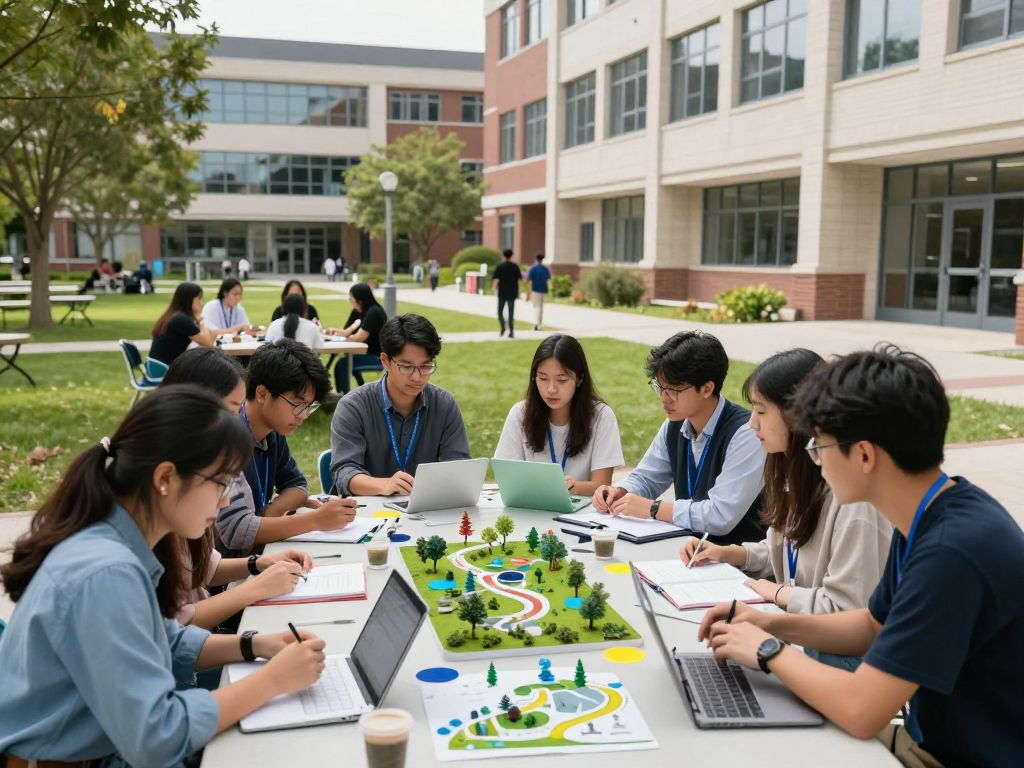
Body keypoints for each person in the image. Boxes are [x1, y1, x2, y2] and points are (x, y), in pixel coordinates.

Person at [699, 346, 1024, 767]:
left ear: (865, 455)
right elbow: (873, 624)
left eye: (821, 447)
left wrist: (767, 650)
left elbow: (861, 711)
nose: (815, 459)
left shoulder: (951, 553)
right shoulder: (933, 512)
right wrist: (767, 621)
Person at [0, 386, 327, 767]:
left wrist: (256, 645)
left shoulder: (118, 537)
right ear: (166, 478)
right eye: (221, 483)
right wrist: (273, 680)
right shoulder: (106, 572)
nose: (225, 502)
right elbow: (157, 736)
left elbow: (163, 640)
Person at [679, 348, 892, 671]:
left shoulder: (853, 501)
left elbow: (846, 612)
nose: (752, 424)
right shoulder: (795, 474)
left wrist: (777, 593)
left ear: (799, 416)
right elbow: (790, 548)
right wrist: (731, 554)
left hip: (841, 662)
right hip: (804, 642)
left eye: (761, 411)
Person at [159, 348, 314, 633]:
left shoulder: (200, 462)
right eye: (232, 410)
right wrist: (253, 590)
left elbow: (202, 566)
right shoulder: (172, 486)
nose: (226, 500)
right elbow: (173, 632)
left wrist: (260, 563)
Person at [592, 331, 766, 545]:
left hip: (738, 564)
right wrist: (620, 491)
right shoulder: (675, 425)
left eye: (673, 390)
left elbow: (720, 516)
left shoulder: (746, 433)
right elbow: (647, 477)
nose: (663, 399)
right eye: (660, 387)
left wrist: (653, 508)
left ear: (707, 388)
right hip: (687, 551)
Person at [216, 339, 358, 557]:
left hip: (257, 556)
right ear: (262, 394)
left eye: (309, 407)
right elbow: (237, 531)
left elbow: (297, 485)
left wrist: (269, 513)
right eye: (297, 404)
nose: (302, 415)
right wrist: (315, 520)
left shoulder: (272, 434)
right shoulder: (227, 439)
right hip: (226, 571)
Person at [330, 314, 470, 496]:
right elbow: (344, 473)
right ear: (385, 361)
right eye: (406, 367)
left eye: (426, 366)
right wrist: (384, 485)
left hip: (427, 512)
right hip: (369, 514)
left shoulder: (444, 405)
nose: (417, 377)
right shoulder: (354, 407)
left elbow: (459, 468)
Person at [494, 334, 623, 496]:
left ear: (579, 378)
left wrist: (572, 487)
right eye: (543, 379)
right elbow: (507, 478)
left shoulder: (601, 417)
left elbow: (602, 485)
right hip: (532, 508)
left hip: (583, 512)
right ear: (534, 377)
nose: (551, 389)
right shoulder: (520, 414)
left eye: (561, 380)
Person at [328, 281, 388, 394]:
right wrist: (331, 332)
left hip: (377, 357)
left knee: (342, 365)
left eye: (351, 298)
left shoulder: (374, 312)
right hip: (363, 353)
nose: (349, 300)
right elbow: (346, 332)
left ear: (359, 300)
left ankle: (344, 399)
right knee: (342, 364)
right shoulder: (358, 311)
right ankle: (343, 396)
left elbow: (358, 337)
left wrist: (342, 339)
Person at [149, 282, 216, 366]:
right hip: (165, 370)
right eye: (198, 298)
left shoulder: (174, 315)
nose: (200, 302)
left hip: (157, 367)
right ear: (190, 299)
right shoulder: (181, 320)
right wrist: (200, 320)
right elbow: (208, 344)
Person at [492, 248, 522, 338]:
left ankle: (502, 328)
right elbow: (519, 280)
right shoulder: (515, 266)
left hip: (502, 292)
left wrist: (494, 289)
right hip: (512, 292)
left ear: (503, 255)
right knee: (511, 312)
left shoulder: (500, 266)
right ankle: (511, 331)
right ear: (511, 255)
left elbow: (496, 279)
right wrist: (519, 292)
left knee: (500, 311)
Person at [526, 253, 551, 331]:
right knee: (541, 307)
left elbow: (528, 279)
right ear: (542, 259)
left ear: (536, 259)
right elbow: (548, 279)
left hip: (535, 289)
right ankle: (540, 324)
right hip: (544, 289)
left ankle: (537, 324)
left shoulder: (533, 268)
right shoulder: (545, 269)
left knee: (537, 307)